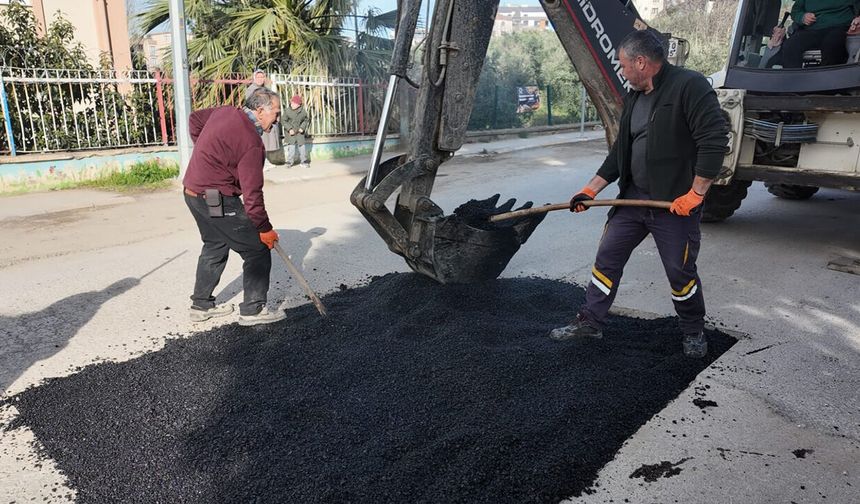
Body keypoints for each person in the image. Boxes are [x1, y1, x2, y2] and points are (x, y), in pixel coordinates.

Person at [549, 30, 728, 358]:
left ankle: (692, 329)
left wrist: (696, 194)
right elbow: (621, 151)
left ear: (642, 63)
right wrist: (591, 189)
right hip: (632, 200)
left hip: (673, 205)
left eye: (623, 65)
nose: (622, 71)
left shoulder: (689, 86)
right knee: (607, 258)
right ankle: (590, 321)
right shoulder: (633, 97)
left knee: (679, 271)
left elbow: (714, 140)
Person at [183, 88, 287, 326]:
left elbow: (195, 119)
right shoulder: (251, 143)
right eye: (276, 113)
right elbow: (252, 197)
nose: (278, 119)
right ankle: (253, 311)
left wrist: (208, 154)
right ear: (260, 111)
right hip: (215, 197)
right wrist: (264, 229)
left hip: (193, 193)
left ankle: (201, 306)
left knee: (215, 243)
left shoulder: (226, 112)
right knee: (257, 251)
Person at [780, 0, 860, 67]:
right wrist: (802, 17)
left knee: (832, 44)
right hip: (812, 29)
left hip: (840, 26)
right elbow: (796, 11)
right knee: (790, 45)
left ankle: (829, 82)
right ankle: (792, 82)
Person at [244, 69, 285, 165]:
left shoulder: (266, 89)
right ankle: (260, 161)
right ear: (254, 78)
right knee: (259, 141)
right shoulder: (251, 90)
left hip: (268, 117)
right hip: (259, 119)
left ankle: (265, 160)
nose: (260, 79)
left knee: (266, 142)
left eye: (262, 77)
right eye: (258, 77)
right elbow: (253, 105)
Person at [283, 94, 310, 168]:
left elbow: (306, 120)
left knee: (302, 146)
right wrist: (289, 129)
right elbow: (284, 121)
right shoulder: (287, 111)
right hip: (291, 133)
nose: (292, 104)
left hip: (299, 132)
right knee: (291, 147)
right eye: (292, 102)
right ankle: (289, 162)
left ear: (299, 105)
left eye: (294, 103)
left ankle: (303, 161)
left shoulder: (303, 111)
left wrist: (302, 127)